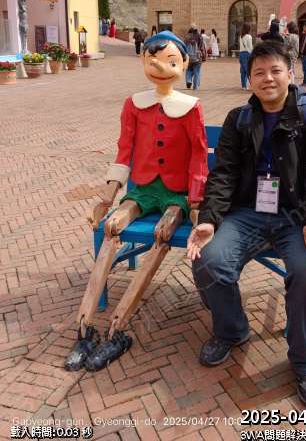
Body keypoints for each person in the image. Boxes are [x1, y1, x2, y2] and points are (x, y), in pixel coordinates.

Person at [187, 40, 306, 408]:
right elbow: (223, 174)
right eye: (259, 72)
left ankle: (305, 359)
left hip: (298, 217)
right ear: (250, 78)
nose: (268, 78)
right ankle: (231, 330)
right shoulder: (238, 119)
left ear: (291, 73)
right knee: (208, 258)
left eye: (275, 70)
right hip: (248, 214)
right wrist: (209, 219)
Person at [64, 31, 208, 372]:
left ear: (184, 64)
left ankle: (118, 328)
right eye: (152, 59)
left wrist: (196, 200)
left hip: (175, 193)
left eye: (171, 61)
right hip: (141, 189)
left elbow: (199, 156)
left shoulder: (190, 108)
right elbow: (124, 149)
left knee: (161, 234)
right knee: (112, 227)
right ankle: (84, 327)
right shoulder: (134, 104)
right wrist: (108, 197)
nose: (160, 66)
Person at [185, 24, 207, 90]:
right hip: (198, 57)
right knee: (197, 72)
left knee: (189, 70)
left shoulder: (187, 36)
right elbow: (202, 47)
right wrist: (204, 57)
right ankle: (195, 86)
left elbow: (183, 46)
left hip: (189, 57)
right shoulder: (199, 36)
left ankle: (188, 80)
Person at [239, 23, 253, 89]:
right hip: (247, 54)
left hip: (241, 54)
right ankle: (252, 84)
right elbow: (250, 47)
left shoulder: (241, 36)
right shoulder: (249, 36)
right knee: (248, 70)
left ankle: (244, 85)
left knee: (243, 70)